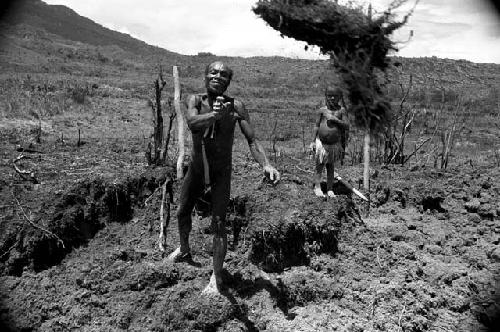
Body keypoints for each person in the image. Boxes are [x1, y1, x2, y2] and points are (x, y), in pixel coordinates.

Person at [168, 61, 280, 296]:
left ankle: (216, 277)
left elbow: (251, 140)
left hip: (221, 172)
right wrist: (215, 116)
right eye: (214, 72)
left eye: (224, 75)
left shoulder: (237, 106)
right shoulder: (195, 100)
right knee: (182, 212)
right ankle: (185, 249)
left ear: (228, 81)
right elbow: (192, 123)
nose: (218, 76)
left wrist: (266, 164)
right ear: (205, 76)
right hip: (197, 168)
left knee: (219, 224)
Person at [311, 87, 349, 198]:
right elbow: (316, 126)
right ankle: (317, 187)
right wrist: (312, 142)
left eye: (335, 96)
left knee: (331, 166)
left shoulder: (341, 111)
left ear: (340, 97)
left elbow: (346, 126)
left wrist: (335, 119)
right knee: (319, 165)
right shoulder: (322, 110)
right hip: (322, 144)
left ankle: (330, 188)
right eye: (329, 95)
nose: (332, 98)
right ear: (326, 96)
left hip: (334, 145)